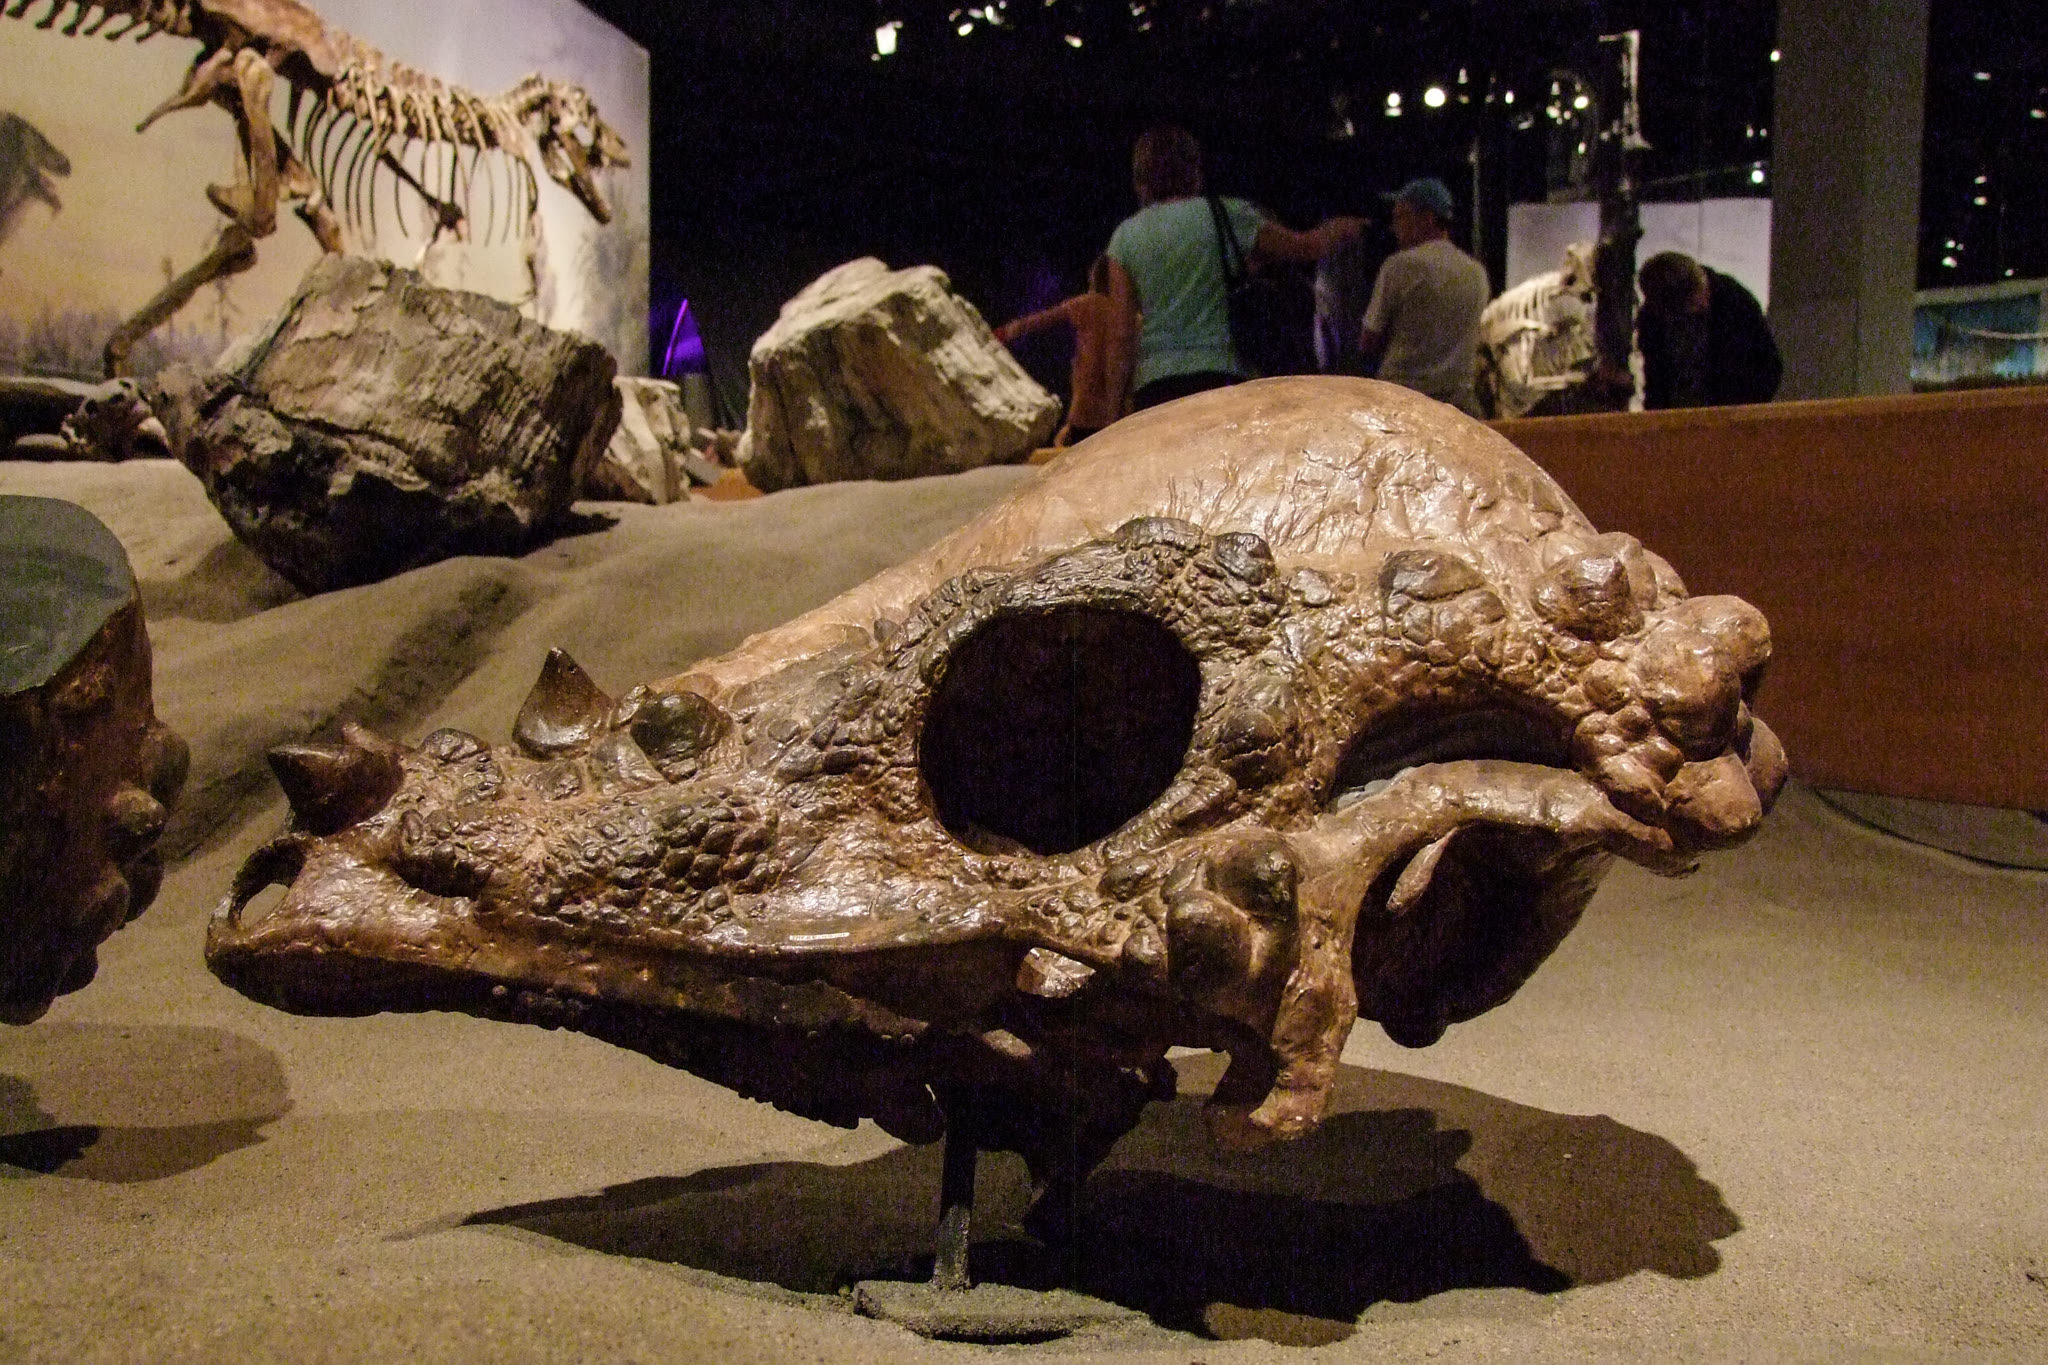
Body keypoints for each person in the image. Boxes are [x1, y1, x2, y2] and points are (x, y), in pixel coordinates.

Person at [1103, 125, 1365, 412]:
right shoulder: (1227, 214)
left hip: (1155, 383)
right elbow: (1304, 248)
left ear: (1141, 177)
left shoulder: (1125, 236)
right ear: (1194, 169)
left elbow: (1121, 334)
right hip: (1222, 371)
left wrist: (1113, 409)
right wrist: (1343, 227)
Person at [1358, 176, 1491, 416]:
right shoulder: (1477, 272)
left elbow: (1368, 341)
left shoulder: (1400, 266)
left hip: (1402, 402)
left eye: (1400, 217)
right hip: (1459, 406)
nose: (1394, 227)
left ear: (1428, 218)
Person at [995, 256, 1121, 446]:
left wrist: (1004, 333)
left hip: (1086, 408)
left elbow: (1042, 320)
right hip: (1117, 410)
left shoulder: (1088, 305)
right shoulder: (1128, 315)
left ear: (1095, 277)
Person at [1635, 251, 1782, 409]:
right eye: (1693, 303)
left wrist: (1741, 410)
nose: (1704, 302)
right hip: (1680, 413)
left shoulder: (1735, 301)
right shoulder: (1652, 320)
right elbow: (1655, 379)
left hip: (1729, 412)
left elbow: (1768, 365)